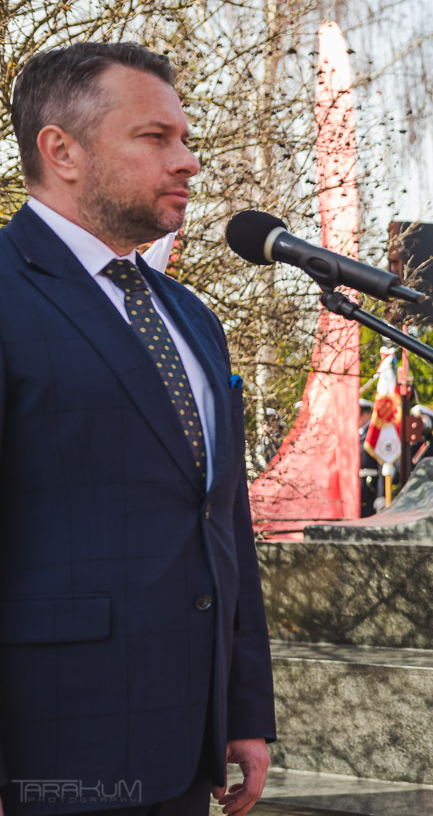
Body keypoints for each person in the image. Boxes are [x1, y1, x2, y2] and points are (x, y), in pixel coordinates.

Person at [0, 43, 274, 816]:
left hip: (186, 745)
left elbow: (224, 520)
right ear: (63, 151)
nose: (187, 161)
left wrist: (245, 710)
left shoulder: (191, 316)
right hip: (47, 749)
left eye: (185, 139)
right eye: (156, 139)